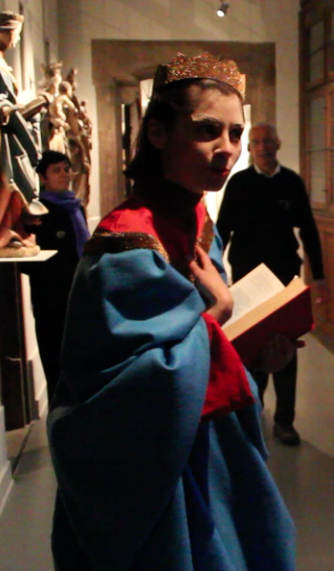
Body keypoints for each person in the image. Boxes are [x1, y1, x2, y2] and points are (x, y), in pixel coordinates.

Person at [48, 53, 295, 570]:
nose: (227, 149)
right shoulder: (126, 244)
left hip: (214, 445)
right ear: (158, 132)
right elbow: (117, 390)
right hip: (159, 466)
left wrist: (252, 353)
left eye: (235, 133)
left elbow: (203, 348)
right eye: (208, 131)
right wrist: (220, 313)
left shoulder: (199, 219)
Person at [216, 123, 329, 446]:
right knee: (251, 346)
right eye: (257, 142)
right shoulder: (239, 183)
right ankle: (254, 410)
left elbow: (308, 231)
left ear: (278, 144)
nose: (263, 147)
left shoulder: (291, 182)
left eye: (268, 141)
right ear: (250, 149)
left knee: (286, 347)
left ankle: (285, 422)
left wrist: (319, 277)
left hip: (284, 278)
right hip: (248, 277)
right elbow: (222, 231)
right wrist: (216, 279)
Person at [0, 11, 48, 257]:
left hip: (12, 133)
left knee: (18, 184)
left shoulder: (1, 60)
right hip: (2, 135)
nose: (16, 40)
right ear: (6, 32)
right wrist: (5, 108)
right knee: (7, 184)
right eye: (16, 34)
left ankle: (10, 230)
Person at [20, 151, 88, 404]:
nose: (64, 175)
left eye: (66, 169)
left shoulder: (75, 206)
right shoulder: (37, 212)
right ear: (42, 177)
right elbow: (26, 262)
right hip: (52, 299)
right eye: (56, 170)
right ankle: (59, 419)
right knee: (55, 361)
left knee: (79, 359)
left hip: (79, 295)